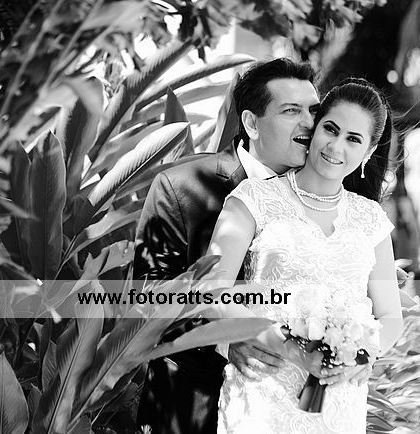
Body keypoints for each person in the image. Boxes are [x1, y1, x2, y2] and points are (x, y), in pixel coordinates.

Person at [134, 58, 328, 434]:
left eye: (313, 111)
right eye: (291, 111)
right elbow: (149, 297)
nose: (309, 122)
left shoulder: (324, 196)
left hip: (289, 412)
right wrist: (225, 337)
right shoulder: (181, 187)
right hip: (194, 409)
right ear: (251, 123)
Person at [209, 78, 404, 433]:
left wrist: (364, 352)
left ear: (370, 150)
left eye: (354, 139)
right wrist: (291, 349)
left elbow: (391, 316)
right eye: (331, 129)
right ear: (315, 128)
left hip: (340, 405)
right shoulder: (254, 199)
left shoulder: (371, 219)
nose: (336, 146)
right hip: (262, 398)